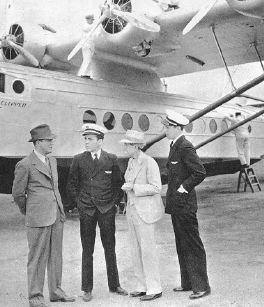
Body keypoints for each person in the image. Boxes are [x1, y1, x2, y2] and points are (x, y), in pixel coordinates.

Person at [12, 124, 75, 307]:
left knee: (56, 256)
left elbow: (54, 188)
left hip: (56, 215)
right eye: (48, 140)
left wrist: (60, 209)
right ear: (38, 142)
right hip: (38, 217)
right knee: (37, 257)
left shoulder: (52, 161)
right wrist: (29, 211)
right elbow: (17, 194)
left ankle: (56, 291)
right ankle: (35, 297)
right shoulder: (24, 164)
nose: (51, 143)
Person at [68, 123, 128, 302]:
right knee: (87, 249)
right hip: (86, 209)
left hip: (106, 209)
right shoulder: (78, 159)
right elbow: (71, 184)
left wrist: (115, 203)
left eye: (90, 139)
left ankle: (115, 284)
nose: (86, 142)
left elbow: (118, 183)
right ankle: (86, 288)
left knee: (110, 248)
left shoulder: (111, 158)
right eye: (85, 139)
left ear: (100, 141)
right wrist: (79, 203)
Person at [162, 110, 211, 300]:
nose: (165, 130)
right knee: (181, 244)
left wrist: (184, 188)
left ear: (176, 127)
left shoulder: (185, 146)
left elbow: (199, 172)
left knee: (192, 244)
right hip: (177, 205)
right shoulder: (175, 145)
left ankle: (201, 286)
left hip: (185, 205)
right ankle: (188, 283)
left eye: (167, 127)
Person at [120, 130, 164, 301]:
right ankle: (141, 286)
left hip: (145, 212)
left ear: (136, 146)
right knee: (135, 249)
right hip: (132, 211)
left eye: (128, 144)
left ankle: (155, 287)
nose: (125, 147)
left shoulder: (149, 162)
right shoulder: (131, 161)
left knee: (148, 250)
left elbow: (156, 187)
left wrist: (134, 188)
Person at [78, 14, 95, 78]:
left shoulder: (90, 26)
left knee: (88, 60)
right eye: (91, 19)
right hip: (86, 45)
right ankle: (84, 73)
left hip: (90, 46)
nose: (92, 21)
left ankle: (86, 73)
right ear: (87, 19)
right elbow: (88, 29)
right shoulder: (86, 26)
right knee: (87, 59)